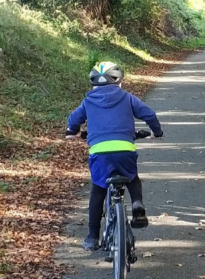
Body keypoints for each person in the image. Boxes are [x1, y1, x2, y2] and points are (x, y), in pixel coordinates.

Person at [66, 61, 163, 250]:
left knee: (98, 191)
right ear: (120, 81)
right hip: (124, 149)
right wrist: (157, 132)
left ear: (93, 84)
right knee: (132, 178)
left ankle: (92, 237)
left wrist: (71, 131)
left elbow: (74, 120)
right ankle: (137, 204)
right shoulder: (128, 98)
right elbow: (149, 115)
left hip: (100, 153)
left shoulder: (87, 102)